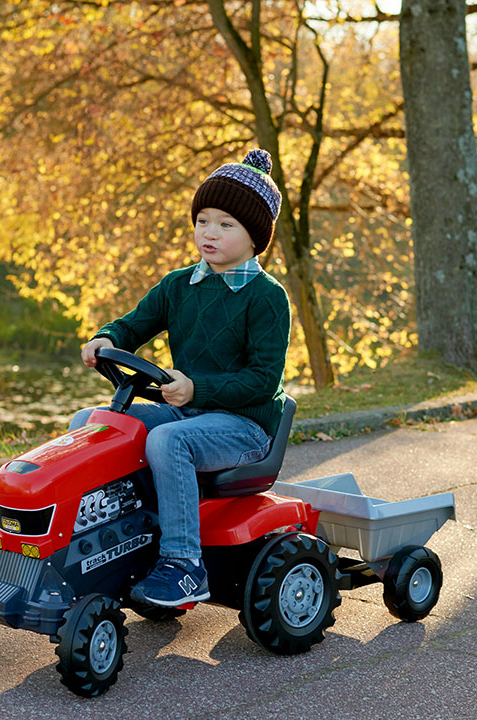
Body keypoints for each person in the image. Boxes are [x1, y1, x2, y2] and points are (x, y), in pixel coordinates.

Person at [69, 149, 291, 608]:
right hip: (186, 411)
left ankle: (183, 563)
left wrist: (197, 388)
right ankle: (96, 543)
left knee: (170, 441)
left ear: (254, 237)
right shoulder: (177, 286)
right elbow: (133, 326)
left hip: (244, 427)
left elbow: (263, 381)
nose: (209, 232)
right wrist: (104, 337)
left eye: (226, 224)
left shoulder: (267, 298)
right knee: (91, 424)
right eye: (203, 220)